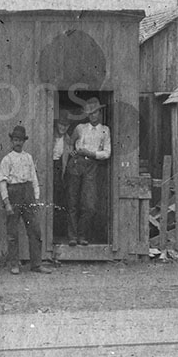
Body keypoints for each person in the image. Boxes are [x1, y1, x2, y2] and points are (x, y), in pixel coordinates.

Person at [0, 125, 52, 274]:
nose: (18, 143)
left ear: (24, 142)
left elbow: (34, 179)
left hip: (28, 194)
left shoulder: (28, 158)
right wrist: (7, 202)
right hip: (13, 193)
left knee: (34, 230)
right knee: (12, 232)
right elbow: (2, 182)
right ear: (11, 141)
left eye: (21, 140)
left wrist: (35, 198)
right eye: (15, 140)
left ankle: (36, 264)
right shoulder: (6, 160)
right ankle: (14, 264)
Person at [64, 97, 111, 246]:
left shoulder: (105, 130)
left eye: (96, 112)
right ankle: (72, 236)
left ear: (100, 112)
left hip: (92, 165)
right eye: (91, 113)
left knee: (89, 205)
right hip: (77, 163)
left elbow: (107, 153)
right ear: (87, 115)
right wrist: (72, 152)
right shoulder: (80, 128)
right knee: (72, 200)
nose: (94, 116)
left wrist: (92, 154)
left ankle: (82, 235)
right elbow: (70, 142)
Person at [52, 110, 73, 238]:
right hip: (50, 165)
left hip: (60, 168)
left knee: (59, 199)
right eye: (61, 124)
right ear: (57, 124)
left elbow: (68, 155)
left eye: (65, 125)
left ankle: (58, 232)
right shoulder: (50, 135)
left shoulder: (68, 140)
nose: (62, 127)